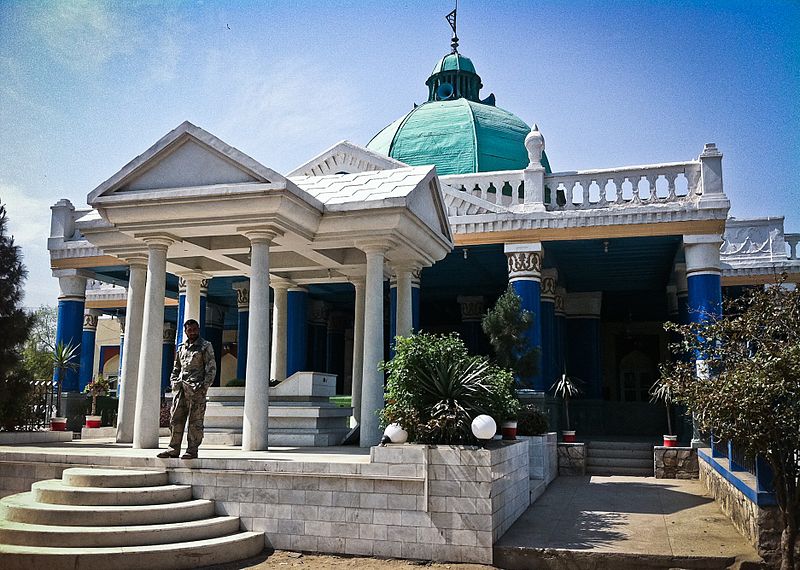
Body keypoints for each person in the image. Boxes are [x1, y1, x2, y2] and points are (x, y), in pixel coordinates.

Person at [157, 319, 216, 459]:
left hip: (196, 390)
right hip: (181, 390)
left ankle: (192, 450)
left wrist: (203, 387)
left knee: (195, 422)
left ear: (198, 329)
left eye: (195, 329)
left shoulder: (205, 346)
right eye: (189, 330)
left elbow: (211, 369)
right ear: (185, 331)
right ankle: (173, 449)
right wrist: (174, 383)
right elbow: (176, 368)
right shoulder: (181, 348)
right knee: (175, 419)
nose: (192, 332)